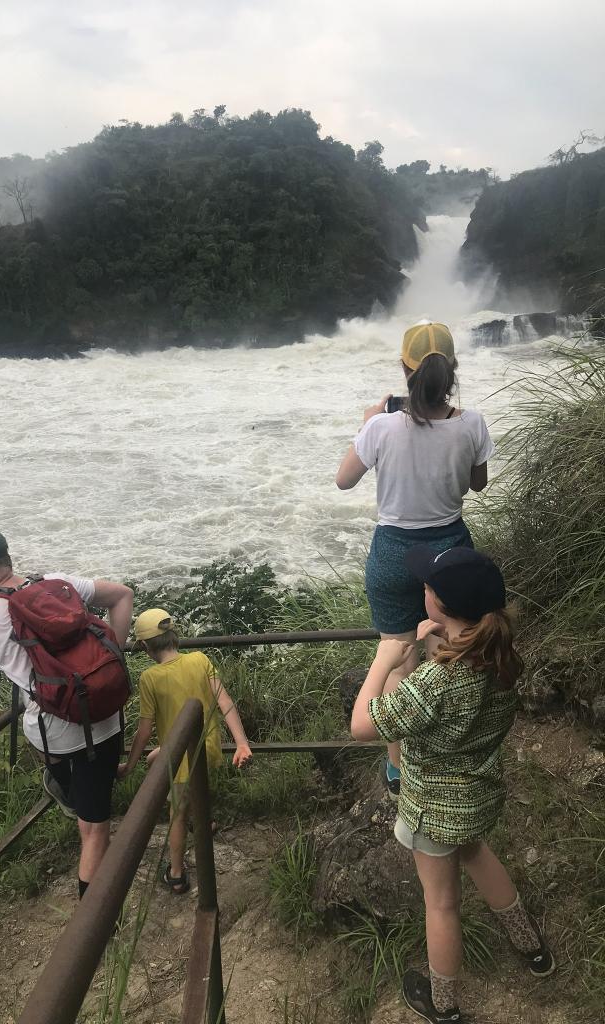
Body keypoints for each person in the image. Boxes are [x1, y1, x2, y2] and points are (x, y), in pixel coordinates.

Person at [350, 546, 554, 1024]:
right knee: (477, 853)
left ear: (442, 607)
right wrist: (432, 644)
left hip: (431, 810)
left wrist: (383, 660)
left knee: (441, 904)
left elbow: (364, 725)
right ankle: (533, 949)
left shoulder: (438, 683)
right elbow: (448, 698)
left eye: (427, 588)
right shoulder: (501, 655)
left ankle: (443, 1005)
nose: (422, 591)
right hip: (474, 797)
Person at [335, 321, 495, 800]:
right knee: (449, 647)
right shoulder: (471, 423)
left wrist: (367, 424)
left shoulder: (381, 427)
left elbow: (344, 481)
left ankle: (397, 766)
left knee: (399, 651)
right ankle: (446, 749)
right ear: (451, 370)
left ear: (405, 369)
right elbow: (477, 484)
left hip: (393, 554)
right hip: (449, 551)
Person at [0, 526, 133, 900]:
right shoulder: (58, 582)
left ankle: (94, 929)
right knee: (94, 816)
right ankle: (75, 797)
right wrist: (111, 657)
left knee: (91, 826)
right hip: (106, 716)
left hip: (57, 732)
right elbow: (123, 596)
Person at [117, 608, 253, 894]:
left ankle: (176, 873)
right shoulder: (199, 659)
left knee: (176, 812)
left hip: (179, 756)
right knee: (194, 785)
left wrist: (130, 765)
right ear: (174, 636)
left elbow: (144, 731)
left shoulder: (150, 678)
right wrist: (241, 742)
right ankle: (205, 821)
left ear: (144, 646)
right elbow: (225, 701)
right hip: (207, 745)